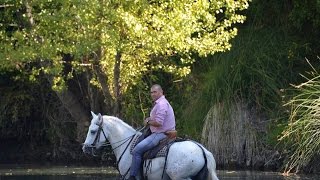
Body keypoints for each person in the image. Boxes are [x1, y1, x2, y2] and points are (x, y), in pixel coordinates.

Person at [127, 84, 176, 180]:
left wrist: (148, 121)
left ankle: (132, 176)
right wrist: (150, 119)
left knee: (136, 151)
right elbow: (157, 118)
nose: (152, 94)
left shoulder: (161, 104)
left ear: (161, 92)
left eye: (155, 92)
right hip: (161, 132)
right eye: (151, 92)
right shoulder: (161, 103)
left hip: (160, 134)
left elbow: (158, 123)